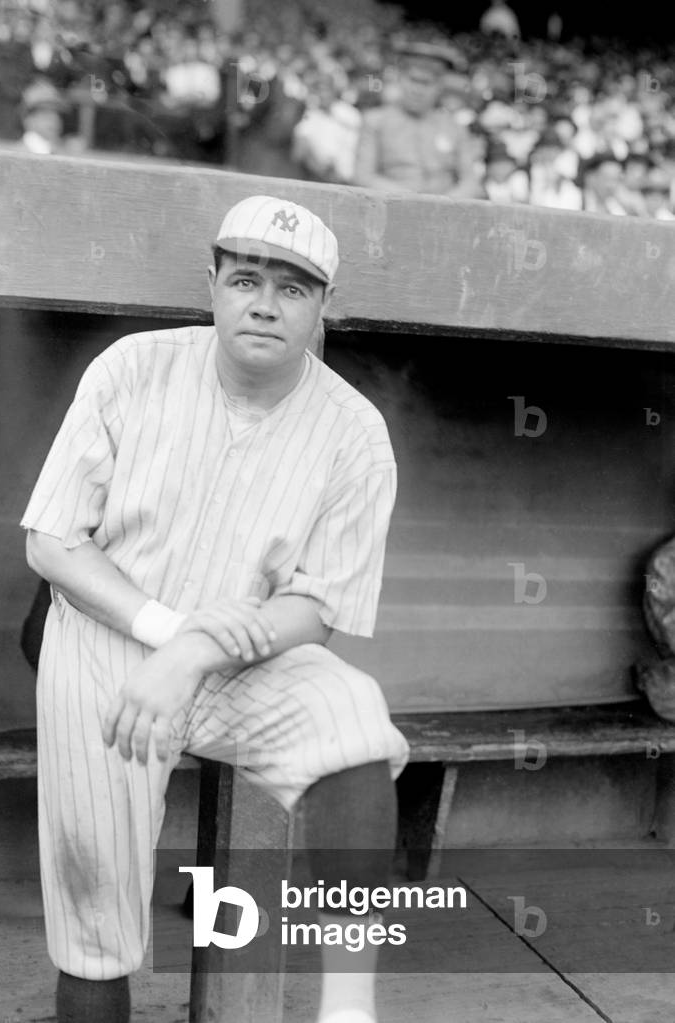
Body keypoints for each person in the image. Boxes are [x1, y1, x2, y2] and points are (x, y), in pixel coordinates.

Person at [20, 194, 410, 1023]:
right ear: (214, 282)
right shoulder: (134, 367)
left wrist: (195, 650)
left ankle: (349, 1008)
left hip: (245, 651)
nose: (265, 302)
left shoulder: (356, 431)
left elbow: (319, 605)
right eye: (246, 278)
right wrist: (167, 633)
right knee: (96, 906)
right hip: (108, 638)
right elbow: (52, 543)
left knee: (353, 715)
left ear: (323, 307)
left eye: (294, 288)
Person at [353, 40, 480, 198]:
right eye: (413, 80)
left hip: (445, 213)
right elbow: (363, 176)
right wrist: (412, 200)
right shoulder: (375, 121)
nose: (418, 90)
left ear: (439, 86)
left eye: (427, 83)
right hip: (391, 209)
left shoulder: (454, 127)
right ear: (400, 79)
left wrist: (443, 204)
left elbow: (471, 183)